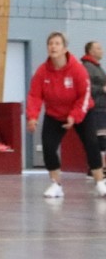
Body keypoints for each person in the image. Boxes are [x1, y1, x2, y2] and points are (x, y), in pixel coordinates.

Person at [27, 31, 106, 198]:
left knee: (92, 143)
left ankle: (100, 182)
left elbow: (85, 95)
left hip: (82, 111)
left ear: (64, 49)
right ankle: (56, 185)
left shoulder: (77, 69)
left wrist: (74, 116)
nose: (53, 47)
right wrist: (32, 116)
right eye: (50, 44)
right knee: (48, 147)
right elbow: (35, 96)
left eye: (57, 43)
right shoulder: (42, 71)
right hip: (55, 114)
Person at [81, 41, 106, 176]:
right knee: (98, 140)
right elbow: (86, 86)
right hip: (95, 108)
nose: (102, 50)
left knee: (102, 139)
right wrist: (102, 89)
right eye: (98, 48)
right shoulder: (87, 67)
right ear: (90, 51)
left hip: (102, 107)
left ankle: (100, 167)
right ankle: (97, 168)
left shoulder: (97, 67)